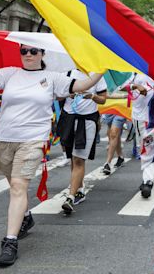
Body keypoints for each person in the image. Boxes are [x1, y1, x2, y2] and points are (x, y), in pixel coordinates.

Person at [0, 29, 103, 267]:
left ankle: (10, 241)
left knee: (19, 186)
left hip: (33, 140)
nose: (28, 55)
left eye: (33, 51)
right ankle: (26, 217)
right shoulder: (11, 74)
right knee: (12, 182)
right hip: (6, 138)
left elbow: (83, 83)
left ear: (42, 53)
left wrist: (102, 66)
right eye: (24, 51)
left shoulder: (53, 78)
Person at [59, 69, 107, 214]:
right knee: (72, 158)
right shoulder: (67, 74)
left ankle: (70, 197)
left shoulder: (97, 74)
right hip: (68, 118)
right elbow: (57, 96)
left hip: (87, 121)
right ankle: (78, 188)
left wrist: (91, 96)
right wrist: (68, 93)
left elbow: (103, 99)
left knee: (78, 158)